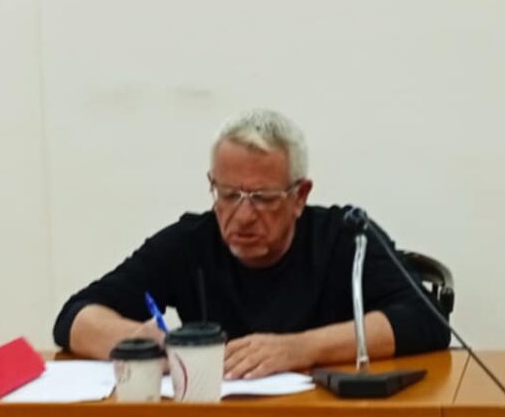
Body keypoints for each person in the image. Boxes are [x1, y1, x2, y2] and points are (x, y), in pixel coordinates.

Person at [55, 110, 451, 378]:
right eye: (229, 195)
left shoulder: (344, 237)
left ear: (299, 196)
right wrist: (134, 343)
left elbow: (426, 320)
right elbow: (74, 316)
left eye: (262, 198)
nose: (243, 216)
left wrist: (302, 348)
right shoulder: (189, 243)